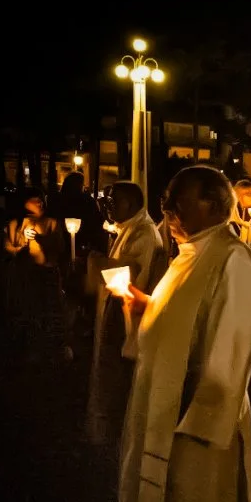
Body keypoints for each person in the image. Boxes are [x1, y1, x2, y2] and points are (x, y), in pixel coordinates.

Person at [116, 165, 251, 502]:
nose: (168, 210)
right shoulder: (189, 254)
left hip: (196, 422)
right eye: (166, 200)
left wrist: (200, 420)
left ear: (214, 205)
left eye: (177, 200)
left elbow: (232, 345)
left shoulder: (231, 258)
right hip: (163, 408)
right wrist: (146, 305)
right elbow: (182, 320)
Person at [85, 181, 167, 447]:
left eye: (114, 201)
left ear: (131, 204)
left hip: (126, 313)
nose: (109, 206)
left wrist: (95, 261)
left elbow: (126, 275)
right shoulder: (130, 228)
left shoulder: (143, 233)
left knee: (117, 373)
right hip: (118, 308)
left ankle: (114, 433)